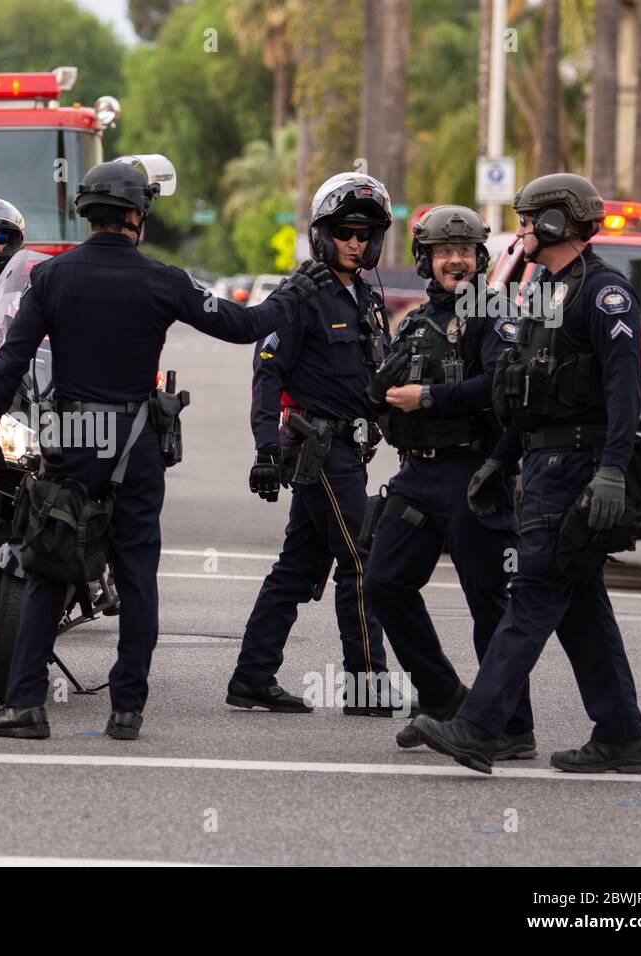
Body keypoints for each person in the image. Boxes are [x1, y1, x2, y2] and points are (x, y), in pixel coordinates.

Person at [0, 154, 289, 741]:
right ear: (137, 216)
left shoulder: (51, 279)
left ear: (87, 214)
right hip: (136, 442)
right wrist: (294, 295)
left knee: (49, 562)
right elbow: (244, 325)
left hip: (69, 441)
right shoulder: (163, 280)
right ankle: (127, 710)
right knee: (137, 574)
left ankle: (25, 706)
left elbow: (10, 364)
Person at [411, 173, 641, 774]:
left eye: (527, 220)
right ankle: (622, 735)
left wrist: (613, 473)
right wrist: (501, 460)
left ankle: (478, 727)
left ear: (554, 223)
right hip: (545, 467)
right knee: (580, 608)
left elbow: (626, 396)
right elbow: (530, 395)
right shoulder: (548, 293)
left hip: (578, 471)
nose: (519, 232)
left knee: (534, 596)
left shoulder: (604, 295)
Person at [362, 204, 535, 759]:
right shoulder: (414, 321)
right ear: (425, 260)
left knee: (489, 603)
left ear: (481, 257)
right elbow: (385, 396)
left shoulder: (492, 311)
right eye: (443, 252)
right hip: (418, 473)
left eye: (464, 251)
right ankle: (443, 697)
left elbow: (501, 386)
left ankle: (512, 728)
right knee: (384, 584)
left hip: (472, 472)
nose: (455, 260)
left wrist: (430, 397)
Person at [228, 172, 403, 717]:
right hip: (319, 447)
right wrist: (264, 448)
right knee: (361, 560)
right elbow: (267, 375)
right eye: (346, 231)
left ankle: (252, 678)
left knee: (298, 569)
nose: (356, 241)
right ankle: (367, 686)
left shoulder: (368, 299)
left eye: (366, 232)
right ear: (323, 233)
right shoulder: (299, 295)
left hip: (352, 447)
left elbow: (378, 378)